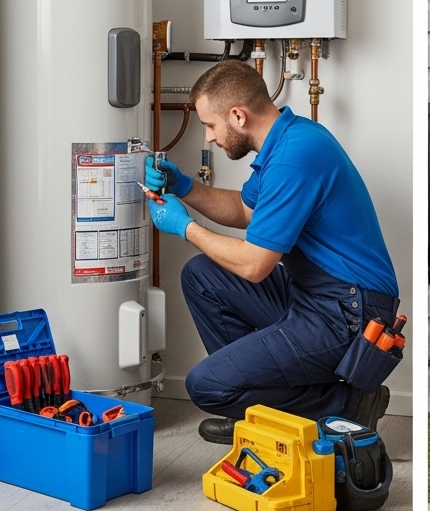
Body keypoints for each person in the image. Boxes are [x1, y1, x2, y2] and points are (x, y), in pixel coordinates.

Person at [145, 61, 398, 444]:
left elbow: (253, 265)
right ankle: (252, 407)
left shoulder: (294, 157)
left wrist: (185, 227)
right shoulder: (286, 140)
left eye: (210, 125)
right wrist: (184, 187)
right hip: (316, 295)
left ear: (237, 116)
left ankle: (347, 403)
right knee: (202, 276)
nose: (209, 137)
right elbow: (245, 212)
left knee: (205, 386)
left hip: (349, 312)